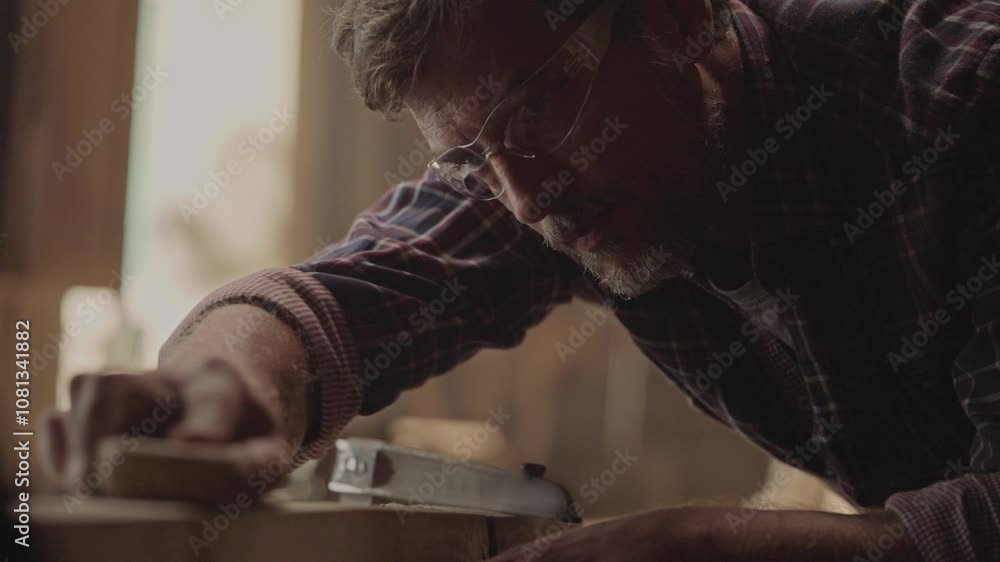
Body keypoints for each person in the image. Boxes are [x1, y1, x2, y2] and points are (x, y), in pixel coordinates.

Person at [42, 0, 1000, 559]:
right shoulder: (547, 173)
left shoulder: (965, 105)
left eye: (540, 103)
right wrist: (228, 385)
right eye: (473, 154)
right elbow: (337, 300)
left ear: (678, 16)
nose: (528, 194)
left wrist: (694, 546)